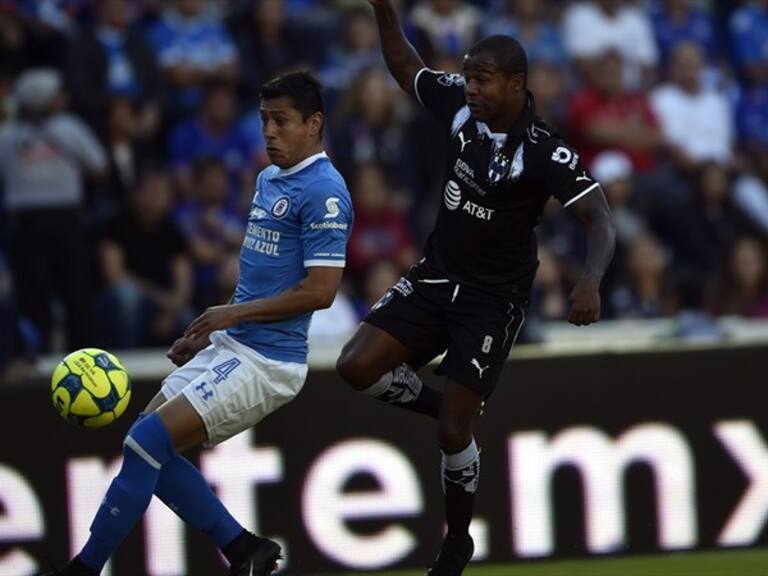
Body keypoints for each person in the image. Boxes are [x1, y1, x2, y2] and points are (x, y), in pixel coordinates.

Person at [336, 3, 616, 575]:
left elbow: (600, 218)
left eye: (482, 79)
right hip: (436, 275)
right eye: (467, 77)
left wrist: (590, 280)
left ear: (516, 84)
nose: (470, 88)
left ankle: (457, 540)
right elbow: (404, 64)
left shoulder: (544, 148)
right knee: (354, 367)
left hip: (493, 299)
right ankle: (449, 410)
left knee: (450, 436)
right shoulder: (461, 109)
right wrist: (384, 9)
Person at [44, 71, 353, 576]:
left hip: (268, 360)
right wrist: (213, 328)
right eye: (263, 121)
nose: (269, 132)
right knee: (144, 444)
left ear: (314, 123)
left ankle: (84, 569)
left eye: (281, 121)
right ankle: (244, 550)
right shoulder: (269, 177)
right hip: (234, 344)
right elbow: (261, 277)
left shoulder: (325, 192)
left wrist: (230, 315)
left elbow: (321, 291)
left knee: (147, 443)